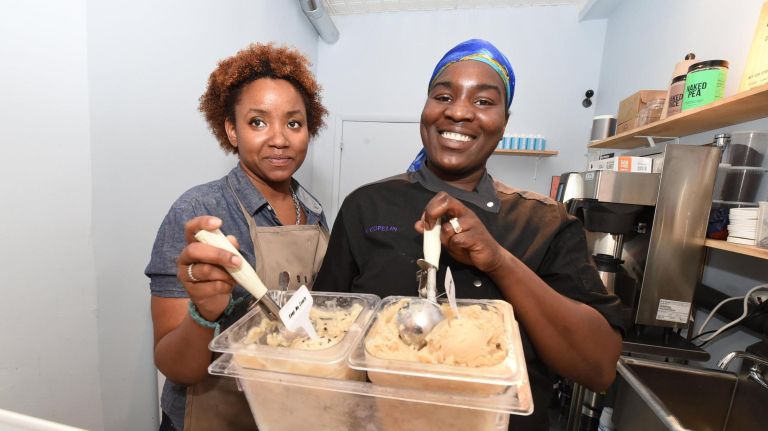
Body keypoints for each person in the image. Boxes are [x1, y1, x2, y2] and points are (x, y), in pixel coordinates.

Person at [312, 39, 624, 430]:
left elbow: (599, 368)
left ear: (504, 122)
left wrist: (499, 262)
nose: (458, 111)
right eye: (443, 96)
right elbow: (323, 331)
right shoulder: (366, 206)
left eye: (483, 101)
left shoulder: (544, 222)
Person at [145, 43, 329, 431]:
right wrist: (204, 312)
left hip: (287, 413)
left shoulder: (312, 210)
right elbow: (174, 366)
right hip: (213, 416)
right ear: (231, 130)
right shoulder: (198, 211)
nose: (279, 139)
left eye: (294, 124)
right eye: (258, 122)